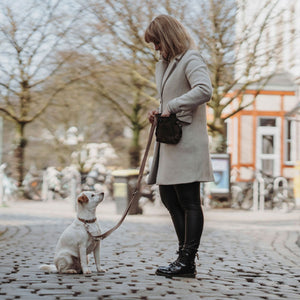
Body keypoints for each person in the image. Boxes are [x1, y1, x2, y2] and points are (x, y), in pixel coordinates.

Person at [144, 15, 214, 278]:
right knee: (168, 198)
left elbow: (204, 90)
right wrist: (159, 111)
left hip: (187, 141)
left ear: (168, 37)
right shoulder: (165, 64)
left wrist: (171, 107)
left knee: (188, 201)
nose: (156, 48)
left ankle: (187, 261)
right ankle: (184, 258)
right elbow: (171, 97)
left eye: (157, 42)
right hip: (171, 140)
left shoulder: (191, 58)